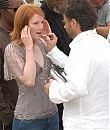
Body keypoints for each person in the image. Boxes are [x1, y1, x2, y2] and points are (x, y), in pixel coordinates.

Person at [43, 0, 109, 129]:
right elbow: (80, 68)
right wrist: (53, 51)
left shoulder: (82, 49)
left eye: (65, 22)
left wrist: (53, 89)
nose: (64, 26)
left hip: (84, 123)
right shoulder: (102, 43)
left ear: (73, 22)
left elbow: (76, 88)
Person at [4, 4, 59, 130]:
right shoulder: (12, 49)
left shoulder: (43, 44)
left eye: (42, 22)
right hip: (28, 120)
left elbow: (57, 75)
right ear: (23, 26)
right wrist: (29, 48)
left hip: (52, 115)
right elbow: (29, 81)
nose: (40, 27)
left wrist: (52, 48)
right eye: (35, 23)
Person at [41, 1, 72, 129]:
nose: (61, 1)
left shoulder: (63, 12)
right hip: (53, 80)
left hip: (68, 69)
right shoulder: (42, 16)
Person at [0, 0, 23, 130]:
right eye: (16, 9)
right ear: (3, 12)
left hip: (28, 111)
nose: (21, 13)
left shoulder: (22, 35)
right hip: (11, 116)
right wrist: (7, 116)